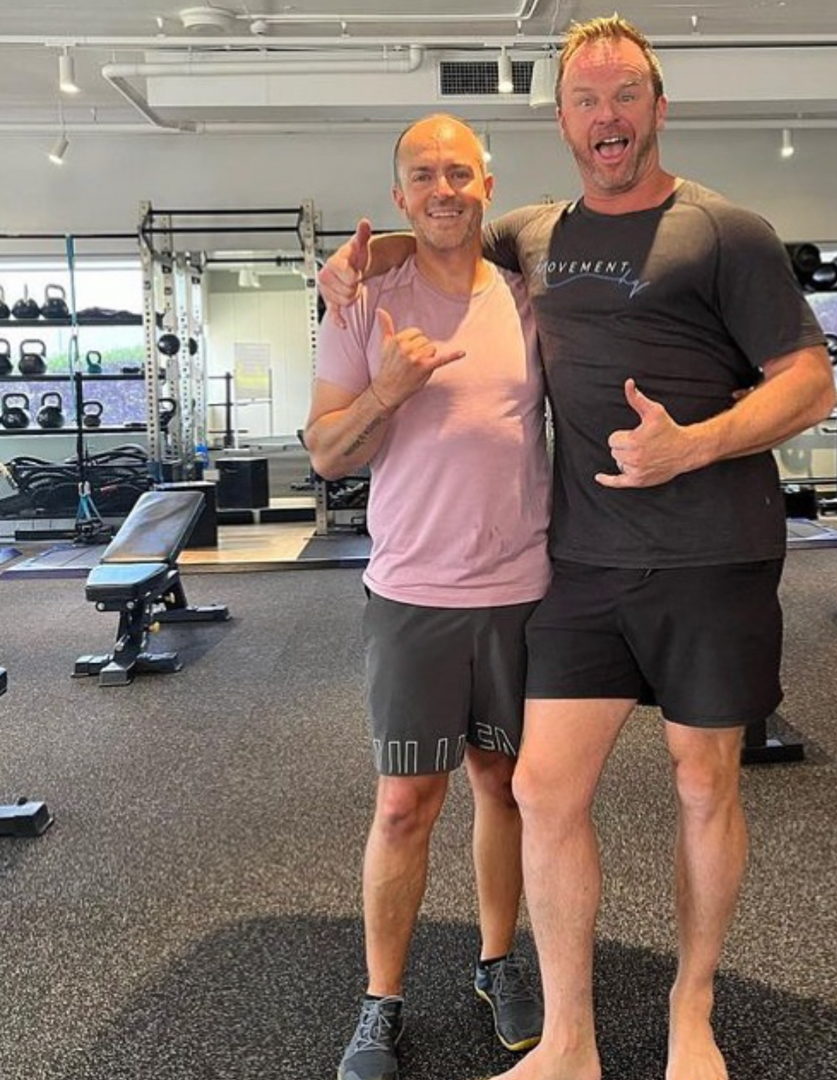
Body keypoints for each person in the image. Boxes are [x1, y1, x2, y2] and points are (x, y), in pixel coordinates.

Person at [318, 17, 837, 1080]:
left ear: (658, 106)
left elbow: (811, 383)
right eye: (586, 100)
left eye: (625, 95)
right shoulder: (537, 235)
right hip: (584, 565)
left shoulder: (726, 232)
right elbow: (443, 233)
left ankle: (692, 1012)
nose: (608, 117)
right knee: (543, 790)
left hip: (712, 556)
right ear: (561, 122)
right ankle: (569, 1042)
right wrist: (370, 257)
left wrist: (696, 443)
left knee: (704, 781)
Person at [304, 113, 549, 1080]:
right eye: (423, 175)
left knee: (505, 785)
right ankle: (382, 999)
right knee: (407, 802)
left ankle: (497, 960)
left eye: (459, 172)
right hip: (412, 592)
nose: (443, 189)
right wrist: (389, 390)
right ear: (399, 195)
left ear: (487, 185)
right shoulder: (362, 303)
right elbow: (328, 454)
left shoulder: (529, 301)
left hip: (522, 587)